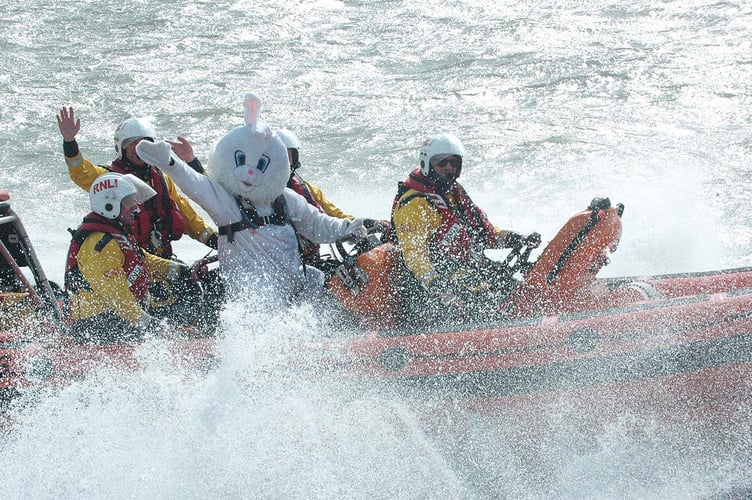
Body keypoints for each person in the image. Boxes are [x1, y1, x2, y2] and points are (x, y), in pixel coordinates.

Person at [390, 133, 541, 326]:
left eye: (454, 163)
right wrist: (439, 288)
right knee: (489, 298)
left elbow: (485, 234)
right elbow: (414, 256)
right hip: (429, 282)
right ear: (428, 164)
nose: (449, 169)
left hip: (464, 267)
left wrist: (518, 239)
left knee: (516, 288)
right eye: (442, 163)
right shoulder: (414, 204)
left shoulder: (453, 194)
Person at [64, 172, 210, 343]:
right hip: (98, 325)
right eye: (129, 202)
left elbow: (145, 261)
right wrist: (158, 329)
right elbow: (120, 302)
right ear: (110, 205)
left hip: (118, 318)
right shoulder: (102, 246)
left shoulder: (118, 235)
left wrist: (185, 271)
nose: (137, 208)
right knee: (172, 335)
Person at [56, 107, 218, 260]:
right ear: (121, 148)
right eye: (132, 144)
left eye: (143, 143)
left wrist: (217, 240)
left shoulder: (161, 178)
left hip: (162, 260)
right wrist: (69, 142)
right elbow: (81, 173)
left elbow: (189, 217)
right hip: (130, 263)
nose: (138, 148)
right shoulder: (111, 179)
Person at [276, 128, 390, 272]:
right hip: (281, 271)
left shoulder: (307, 190)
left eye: (287, 156)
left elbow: (334, 216)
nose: (283, 163)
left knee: (369, 253)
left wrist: (368, 223)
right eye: (277, 157)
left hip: (311, 264)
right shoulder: (254, 199)